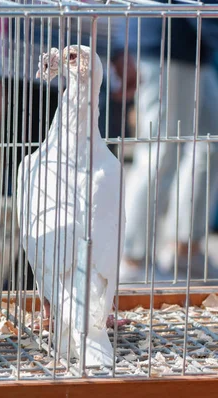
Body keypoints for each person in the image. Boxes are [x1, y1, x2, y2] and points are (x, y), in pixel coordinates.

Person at [0, 15, 129, 290]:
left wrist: (119, 47)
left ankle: (82, 298)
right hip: (25, 72)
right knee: (29, 202)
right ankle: (14, 293)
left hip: (95, 67)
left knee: (93, 204)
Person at [113, 8, 218, 282]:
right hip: (164, 37)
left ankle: (185, 249)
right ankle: (132, 260)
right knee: (160, 152)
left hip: (195, 43)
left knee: (208, 145)